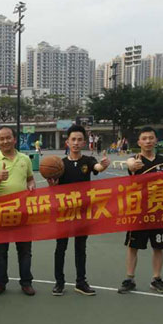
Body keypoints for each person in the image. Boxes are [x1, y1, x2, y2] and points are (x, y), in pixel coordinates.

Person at [118, 126, 163, 295]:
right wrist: (132, 165)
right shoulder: (135, 159)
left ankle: (156, 279)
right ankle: (129, 279)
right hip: (138, 211)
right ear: (139, 142)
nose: (148, 141)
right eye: (144, 138)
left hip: (158, 210)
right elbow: (130, 165)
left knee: (158, 246)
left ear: (156, 140)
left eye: (151, 138)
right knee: (133, 246)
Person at [47, 125, 110, 296]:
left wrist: (103, 165)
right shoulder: (59, 164)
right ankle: (59, 283)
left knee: (80, 248)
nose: (76, 143)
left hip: (83, 212)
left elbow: (98, 168)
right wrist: (52, 185)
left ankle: (81, 282)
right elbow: (54, 190)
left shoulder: (88, 161)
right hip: (64, 212)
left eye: (79, 139)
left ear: (84, 142)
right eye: (73, 139)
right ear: (67, 142)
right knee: (61, 247)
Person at [0, 126, 36, 296]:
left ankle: (26, 282)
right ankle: (0, 283)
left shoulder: (25, 159)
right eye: (2, 138)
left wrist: (31, 186)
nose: (5, 141)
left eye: (8, 137)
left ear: (15, 139)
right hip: (1, 213)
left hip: (22, 211)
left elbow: (30, 179)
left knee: (25, 250)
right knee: (0, 250)